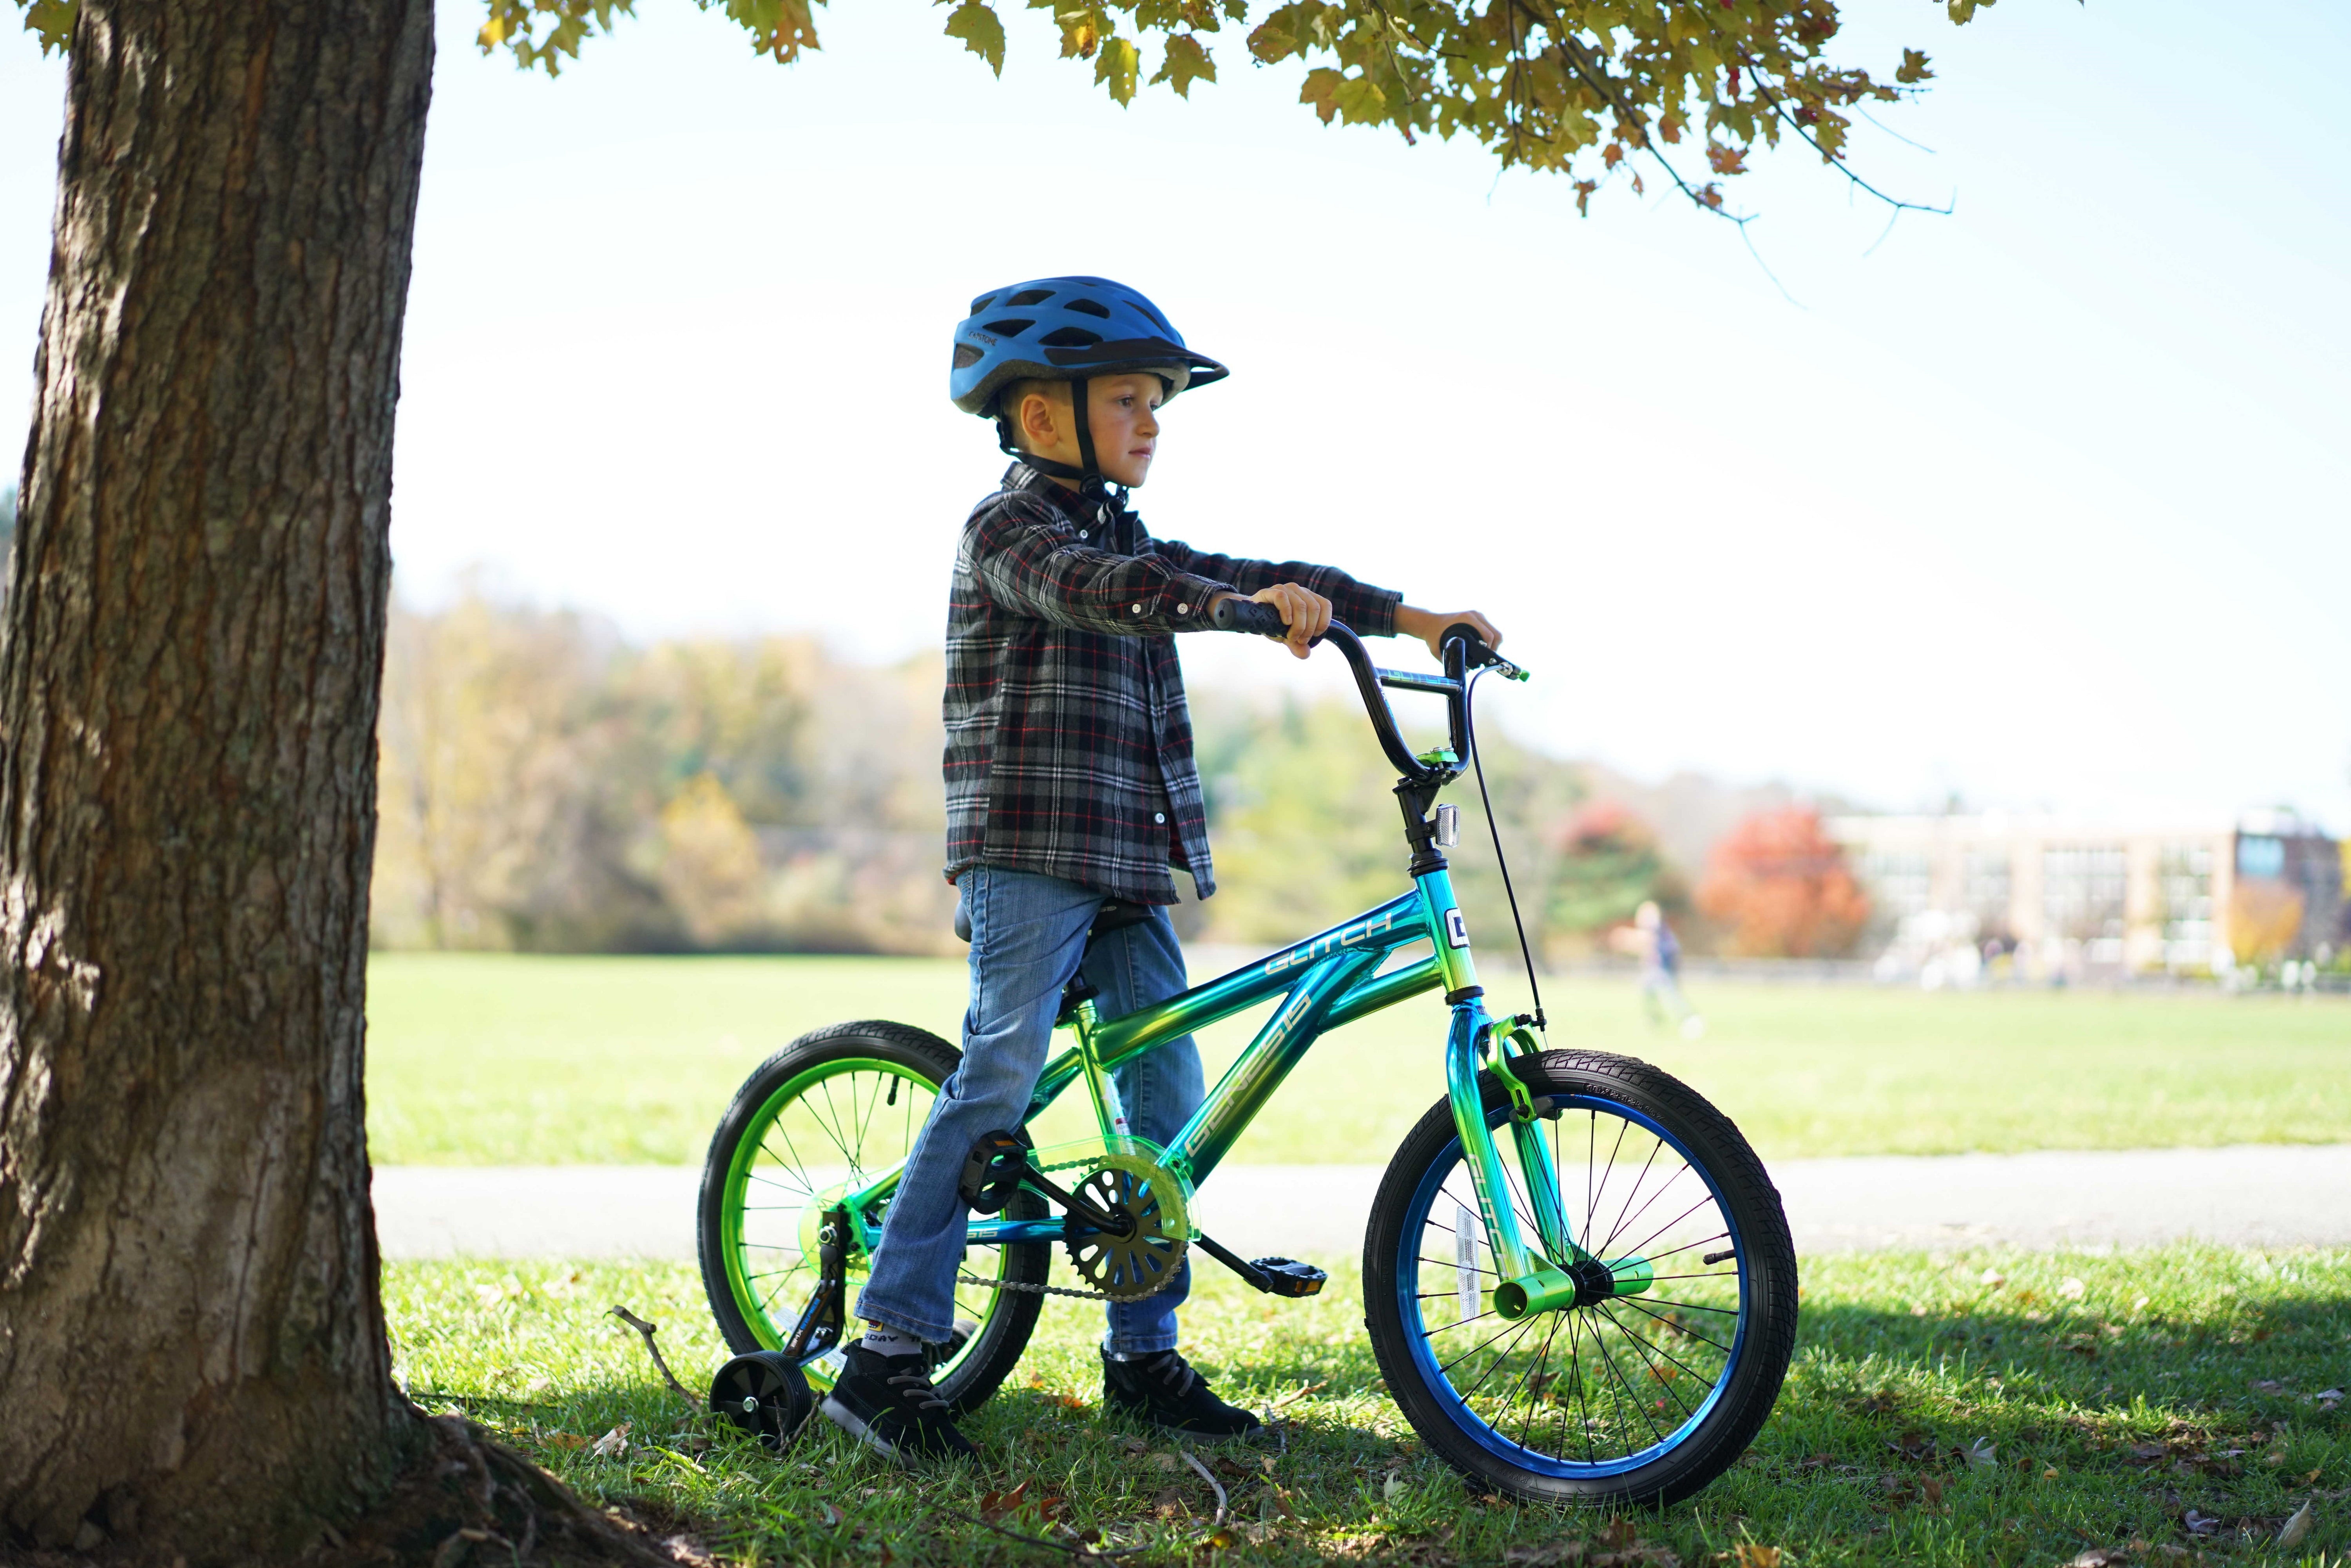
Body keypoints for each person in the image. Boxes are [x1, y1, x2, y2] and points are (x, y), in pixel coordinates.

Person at [821, 277, 1502, 1463]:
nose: (1151, 421)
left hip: (1127, 859)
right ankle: (883, 1353)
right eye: (1129, 399)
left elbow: (1235, 562)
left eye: (1158, 402)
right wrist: (1240, 611)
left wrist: (1409, 617)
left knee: (1166, 1096)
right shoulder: (1009, 529)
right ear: (1041, 418)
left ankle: (1143, 1353)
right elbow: (1111, 599)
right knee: (997, 1070)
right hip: (1028, 854)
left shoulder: (1125, 529)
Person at [1631, 900, 1705, 1039]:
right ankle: (1654, 1021)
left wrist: (1626, 939)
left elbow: (1649, 942)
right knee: (1649, 992)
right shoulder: (1659, 930)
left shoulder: (1655, 929)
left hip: (1662, 969)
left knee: (1670, 996)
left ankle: (1690, 1018)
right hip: (1657, 969)